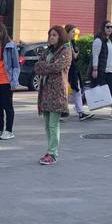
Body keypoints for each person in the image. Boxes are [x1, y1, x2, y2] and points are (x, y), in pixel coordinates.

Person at [33, 26, 73, 165]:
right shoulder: (48, 51)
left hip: (57, 92)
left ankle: (53, 153)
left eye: (55, 35)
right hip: (45, 91)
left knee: (53, 125)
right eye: (50, 35)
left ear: (60, 36)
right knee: (46, 125)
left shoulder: (66, 51)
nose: (52, 37)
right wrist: (46, 66)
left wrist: (45, 66)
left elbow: (58, 67)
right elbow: (37, 67)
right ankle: (50, 149)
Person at [0, 22, 20, 141]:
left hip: (6, 82)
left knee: (8, 106)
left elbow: (16, 66)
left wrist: (14, 81)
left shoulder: (11, 46)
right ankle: (0, 129)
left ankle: (9, 130)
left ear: (4, 32)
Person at [90, 22, 112, 119]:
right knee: (96, 88)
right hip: (102, 70)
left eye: (111, 27)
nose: (110, 29)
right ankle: (80, 106)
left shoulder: (111, 41)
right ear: (103, 28)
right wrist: (95, 69)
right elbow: (95, 56)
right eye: (107, 27)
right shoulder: (98, 41)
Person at [64, 24, 93, 121]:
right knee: (64, 91)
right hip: (65, 70)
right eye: (72, 32)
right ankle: (61, 111)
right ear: (67, 32)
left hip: (73, 70)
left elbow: (75, 57)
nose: (74, 34)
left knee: (77, 90)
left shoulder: (72, 43)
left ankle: (80, 111)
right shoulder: (64, 44)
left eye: (74, 32)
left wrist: (74, 52)